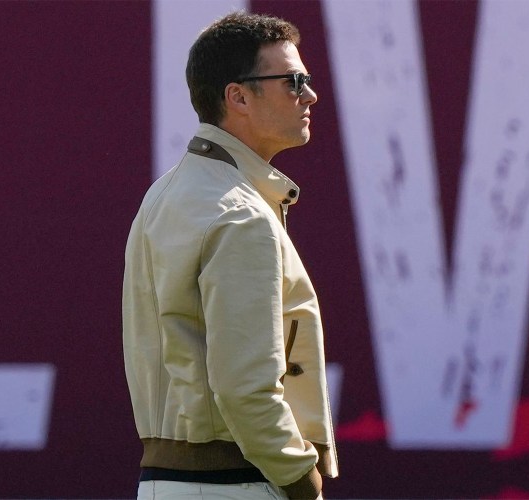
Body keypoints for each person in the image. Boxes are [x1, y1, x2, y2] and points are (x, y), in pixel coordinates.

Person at [122, 11, 338, 500]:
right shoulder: (240, 215)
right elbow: (245, 388)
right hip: (236, 483)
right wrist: (301, 480)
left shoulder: (164, 194)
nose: (310, 95)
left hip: (166, 484)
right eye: (293, 81)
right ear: (237, 96)